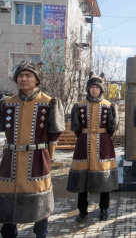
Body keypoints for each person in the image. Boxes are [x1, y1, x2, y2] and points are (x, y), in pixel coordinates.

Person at [0, 61, 65, 238]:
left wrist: (48, 156)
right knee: (6, 197)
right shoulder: (7, 103)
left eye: (28, 76)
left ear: (36, 80)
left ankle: (41, 233)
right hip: (11, 158)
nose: (24, 79)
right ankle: (8, 232)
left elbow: (55, 132)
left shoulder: (49, 102)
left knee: (39, 199)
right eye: (20, 76)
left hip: (37, 157)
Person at [67, 75, 119, 222]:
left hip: (103, 145)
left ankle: (104, 208)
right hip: (83, 145)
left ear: (101, 89)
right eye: (92, 87)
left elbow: (111, 128)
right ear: (88, 89)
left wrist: (101, 137)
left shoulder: (109, 106)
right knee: (81, 179)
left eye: (97, 87)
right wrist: (86, 136)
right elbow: (76, 128)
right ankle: (82, 211)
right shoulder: (79, 105)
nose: (94, 90)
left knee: (104, 179)